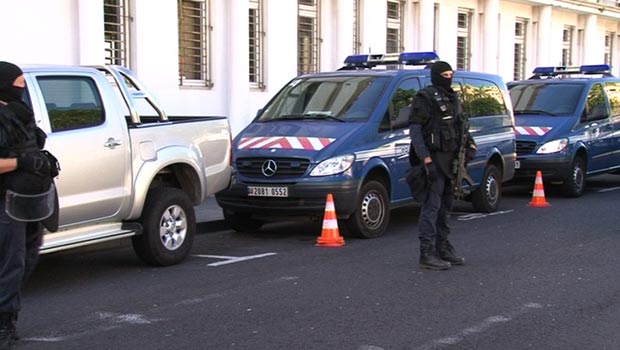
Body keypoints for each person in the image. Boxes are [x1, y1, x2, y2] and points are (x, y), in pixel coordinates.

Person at [0, 61, 56, 349]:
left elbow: (31, 147)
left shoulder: (20, 114)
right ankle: (4, 323)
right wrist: (22, 163)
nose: (23, 88)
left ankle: (8, 314)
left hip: (32, 200)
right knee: (11, 263)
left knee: (28, 258)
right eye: (18, 82)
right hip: (6, 202)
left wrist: (44, 161)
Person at [408, 61, 476, 270]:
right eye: (445, 74)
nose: (449, 77)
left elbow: (459, 125)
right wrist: (425, 159)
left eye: (450, 74)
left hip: (452, 161)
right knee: (432, 206)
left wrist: (469, 144)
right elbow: (415, 130)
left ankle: (443, 247)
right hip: (434, 161)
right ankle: (426, 253)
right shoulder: (425, 98)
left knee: (446, 206)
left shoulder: (452, 97)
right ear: (436, 75)